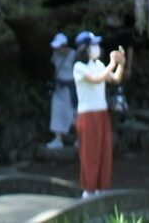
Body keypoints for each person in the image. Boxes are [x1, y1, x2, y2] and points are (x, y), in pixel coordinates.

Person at [71, 31, 128, 198]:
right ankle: (89, 190)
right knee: (90, 153)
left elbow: (115, 79)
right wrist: (112, 63)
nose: (96, 48)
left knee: (104, 150)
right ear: (84, 49)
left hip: (102, 113)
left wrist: (121, 64)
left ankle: (102, 189)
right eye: (92, 45)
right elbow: (95, 79)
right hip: (87, 115)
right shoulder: (79, 67)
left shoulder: (99, 65)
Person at [46, 32, 77, 151]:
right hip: (58, 88)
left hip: (70, 89)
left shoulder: (73, 54)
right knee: (56, 111)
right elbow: (54, 68)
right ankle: (57, 139)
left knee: (73, 113)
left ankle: (79, 138)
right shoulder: (55, 54)